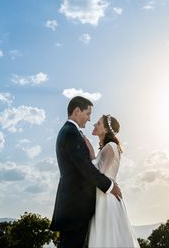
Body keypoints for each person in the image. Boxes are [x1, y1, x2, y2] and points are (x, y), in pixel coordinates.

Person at [50, 96, 123, 248]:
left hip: (75, 205)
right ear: (77, 111)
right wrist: (110, 186)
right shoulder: (70, 133)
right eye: (88, 114)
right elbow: (85, 168)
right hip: (75, 207)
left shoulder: (70, 132)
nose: (90, 120)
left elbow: (87, 166)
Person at [86, 114, 140, 248]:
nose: (94, 125)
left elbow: (98, 174)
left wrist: (91, 152)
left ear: (105, 130)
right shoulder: (108, 147)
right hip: (103, 195)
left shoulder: (110, 146)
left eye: (98, 123)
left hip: (107, 198)